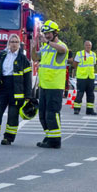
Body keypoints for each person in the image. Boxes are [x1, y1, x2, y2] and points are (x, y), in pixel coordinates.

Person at [0, 34, 32, 145]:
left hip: (16, 91)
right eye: (12, 41)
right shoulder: (2, 55)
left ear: (19, 44)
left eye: (16, 42)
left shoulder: (23, 59)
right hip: (2, 87)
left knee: (12, 116)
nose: (14, 44)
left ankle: (8, 138)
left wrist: (28, 96)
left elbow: (28, 79)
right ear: (8, 43)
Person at [32, 20, 67, 149]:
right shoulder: (46, 47)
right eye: (45, 33)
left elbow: (62, 50)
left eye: (48, 33)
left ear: (55, 33)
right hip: (44, 86)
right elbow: (35, 58)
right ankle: (49, 137)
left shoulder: (61, 46)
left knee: (52, 114)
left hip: (55, 87)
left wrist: (47, 42)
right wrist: (33, 46)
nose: (46, 35)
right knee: (42, 115)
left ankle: (55, 141)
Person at [72, 41, 97, 116]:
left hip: (90, 77)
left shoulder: (93, 54)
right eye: (86, 45)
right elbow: (75, 64)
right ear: (84, 46)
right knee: (80, 94)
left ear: (91, 46)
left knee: (91, 94)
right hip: (82, 77)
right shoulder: (79, 54)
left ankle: (89, 110)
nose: (88, 47)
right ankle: (76, 109)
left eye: (89, 45)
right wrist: (79, 72)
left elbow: (93, 65)